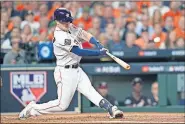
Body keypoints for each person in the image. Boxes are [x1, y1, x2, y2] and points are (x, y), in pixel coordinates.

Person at [19, 8, 123, 119]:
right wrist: (98, 53)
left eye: (68, 20)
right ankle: (33, 108)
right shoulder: (60, 36)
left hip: (77, 69)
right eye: (64, 21)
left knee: (90, 91)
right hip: (65, 72)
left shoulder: (69, 26)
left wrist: (97, 43)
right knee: (61, 105)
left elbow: (84, 34)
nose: (67, 23)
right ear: (57, 21)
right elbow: (78, 51)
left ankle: (111, 108)